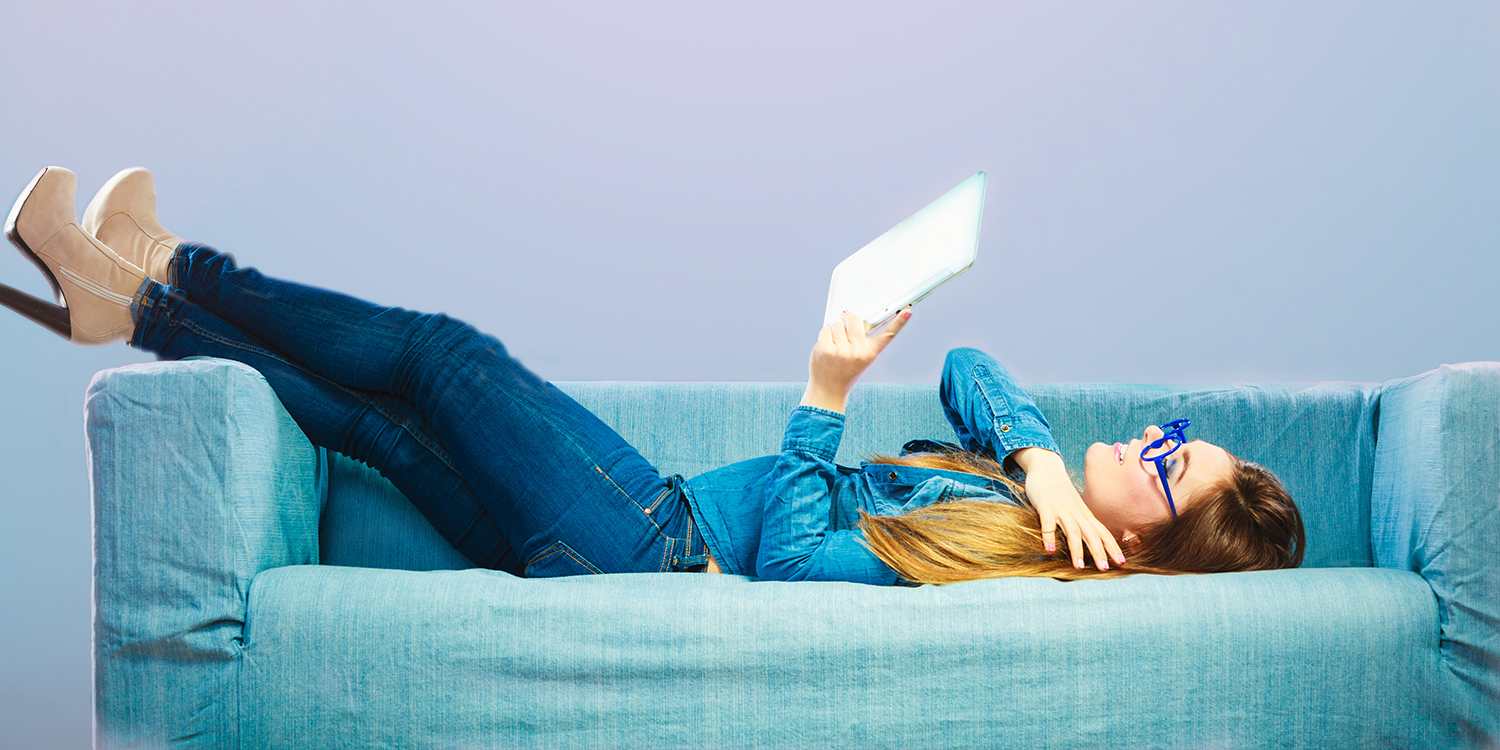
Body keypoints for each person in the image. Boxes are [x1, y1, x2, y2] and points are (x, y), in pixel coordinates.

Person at [2, 166, 1305, 586]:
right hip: (637, 524)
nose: (1147, 433)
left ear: (1155, 550)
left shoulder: (993, 574)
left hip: (652, 544)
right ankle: (131, 308)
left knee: (444, 357)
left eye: (1167, 461)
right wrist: (1030, 455)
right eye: (1173, 431)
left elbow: (796, 558)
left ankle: (174, 261)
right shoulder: (1013, 501)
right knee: (376, 426)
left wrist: (825, 391)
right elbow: (969, 362)